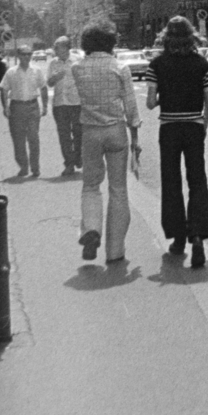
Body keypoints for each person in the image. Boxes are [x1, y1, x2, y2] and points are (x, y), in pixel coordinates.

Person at [146, 16, 208, 269]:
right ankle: (198, 236)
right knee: (197, 180)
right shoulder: (202, 64)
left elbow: (150, 103)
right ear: (191, 37)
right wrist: (202, 127)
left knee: (171, 181)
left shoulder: (157, 64)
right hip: (194, 127)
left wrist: (165, 96)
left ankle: (178, 239)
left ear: (166, 37)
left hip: (169, 128)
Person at [72, 21, 140, 264]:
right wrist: (135, 140)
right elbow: (131, 107)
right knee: (118, 190)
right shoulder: (120, 68)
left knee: (91, 185)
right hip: (116, 131)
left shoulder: (78, 68)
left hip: (90, 131)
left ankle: (92, 228)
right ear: (111, 42)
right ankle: (115, 250)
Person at [0, 45, 48, 176]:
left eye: (29, 54)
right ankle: (23, 166)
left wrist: (45, 106)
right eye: (24, 54)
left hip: (32, 107)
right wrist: (5, 107)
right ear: (18, 56)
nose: (27, 57)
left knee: (33, 137)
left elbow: (43, 87)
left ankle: (35, 167)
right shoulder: (11, 72)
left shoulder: (37, 70)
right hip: (16, 107)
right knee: (18, 139)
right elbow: (3, 89)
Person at [47, 36, 82, 177]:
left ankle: (78, 157)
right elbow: (49, 83)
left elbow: (84, 80)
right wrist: (54, 77)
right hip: (60, 104)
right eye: (55, 48)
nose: (56, 50)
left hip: (76, 103)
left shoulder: (78, 61)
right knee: (64, 136)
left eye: (58, 48)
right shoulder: (53, 63)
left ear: (67, 48)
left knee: (79, 133)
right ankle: (69, 164)